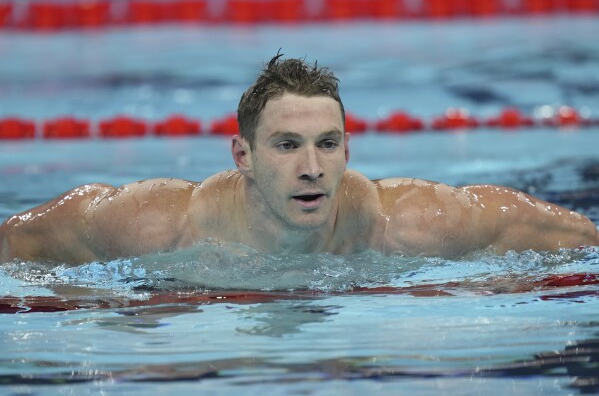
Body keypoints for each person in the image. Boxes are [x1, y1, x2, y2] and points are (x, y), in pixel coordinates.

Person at [0, 54, 598, 265]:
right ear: (243, 155)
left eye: (327, 144)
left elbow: (577, 237)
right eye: (287, 145)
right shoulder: (157, 224)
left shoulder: (409, 222)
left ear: (348, 149)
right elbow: (15, 246)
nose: (312, 166)